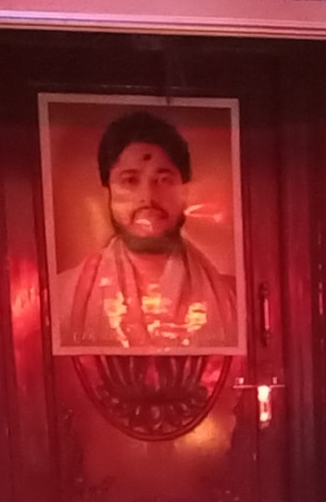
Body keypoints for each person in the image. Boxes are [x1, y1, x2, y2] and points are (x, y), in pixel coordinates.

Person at [61, 110, 238, 351]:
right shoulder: (63, 295)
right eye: (130, 181)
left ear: (185, 193)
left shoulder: (234, 300)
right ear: (107, 195)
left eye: (163, 180)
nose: (148, 197)